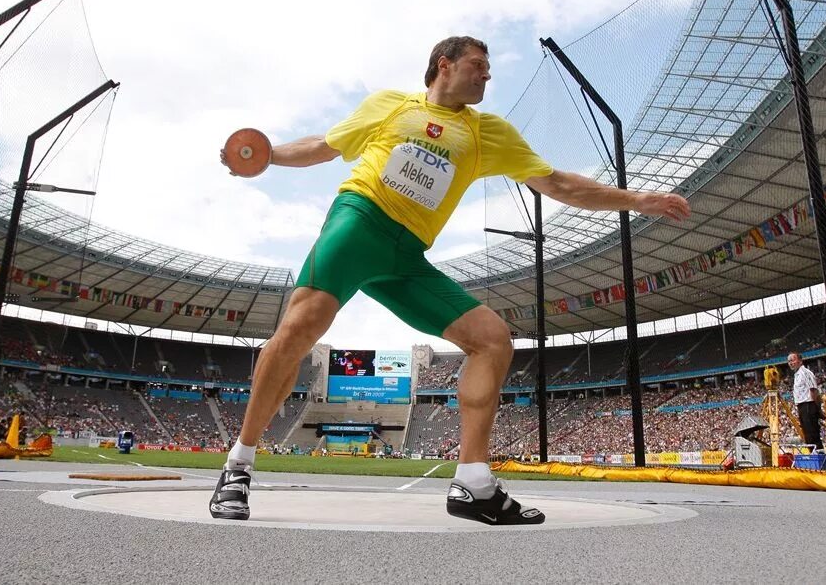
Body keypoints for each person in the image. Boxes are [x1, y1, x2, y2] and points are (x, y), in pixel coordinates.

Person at [210, 36, 692, 524]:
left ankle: (473, 483)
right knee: (301, 327)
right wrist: (268, 156)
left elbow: (558, 183)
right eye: (478, 65)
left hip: (406, 256)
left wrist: (639, 201)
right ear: (445, 65)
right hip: (359, 221)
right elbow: (323, 146)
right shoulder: (392, 105)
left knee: (492, 340)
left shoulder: (489, 133)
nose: (487, 76)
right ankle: (238, 466)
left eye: (488, 68)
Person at [788, 352, 823, 449]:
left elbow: (814, 390)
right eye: (789, 361)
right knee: (807, 434)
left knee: (812, 433)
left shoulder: (805, 372)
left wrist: (818, 408)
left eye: (793, 360)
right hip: (801, 406)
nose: (791, 363)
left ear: (800, 361)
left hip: (809, 405)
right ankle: (813, 454)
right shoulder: (797, 375)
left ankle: (818, 455)